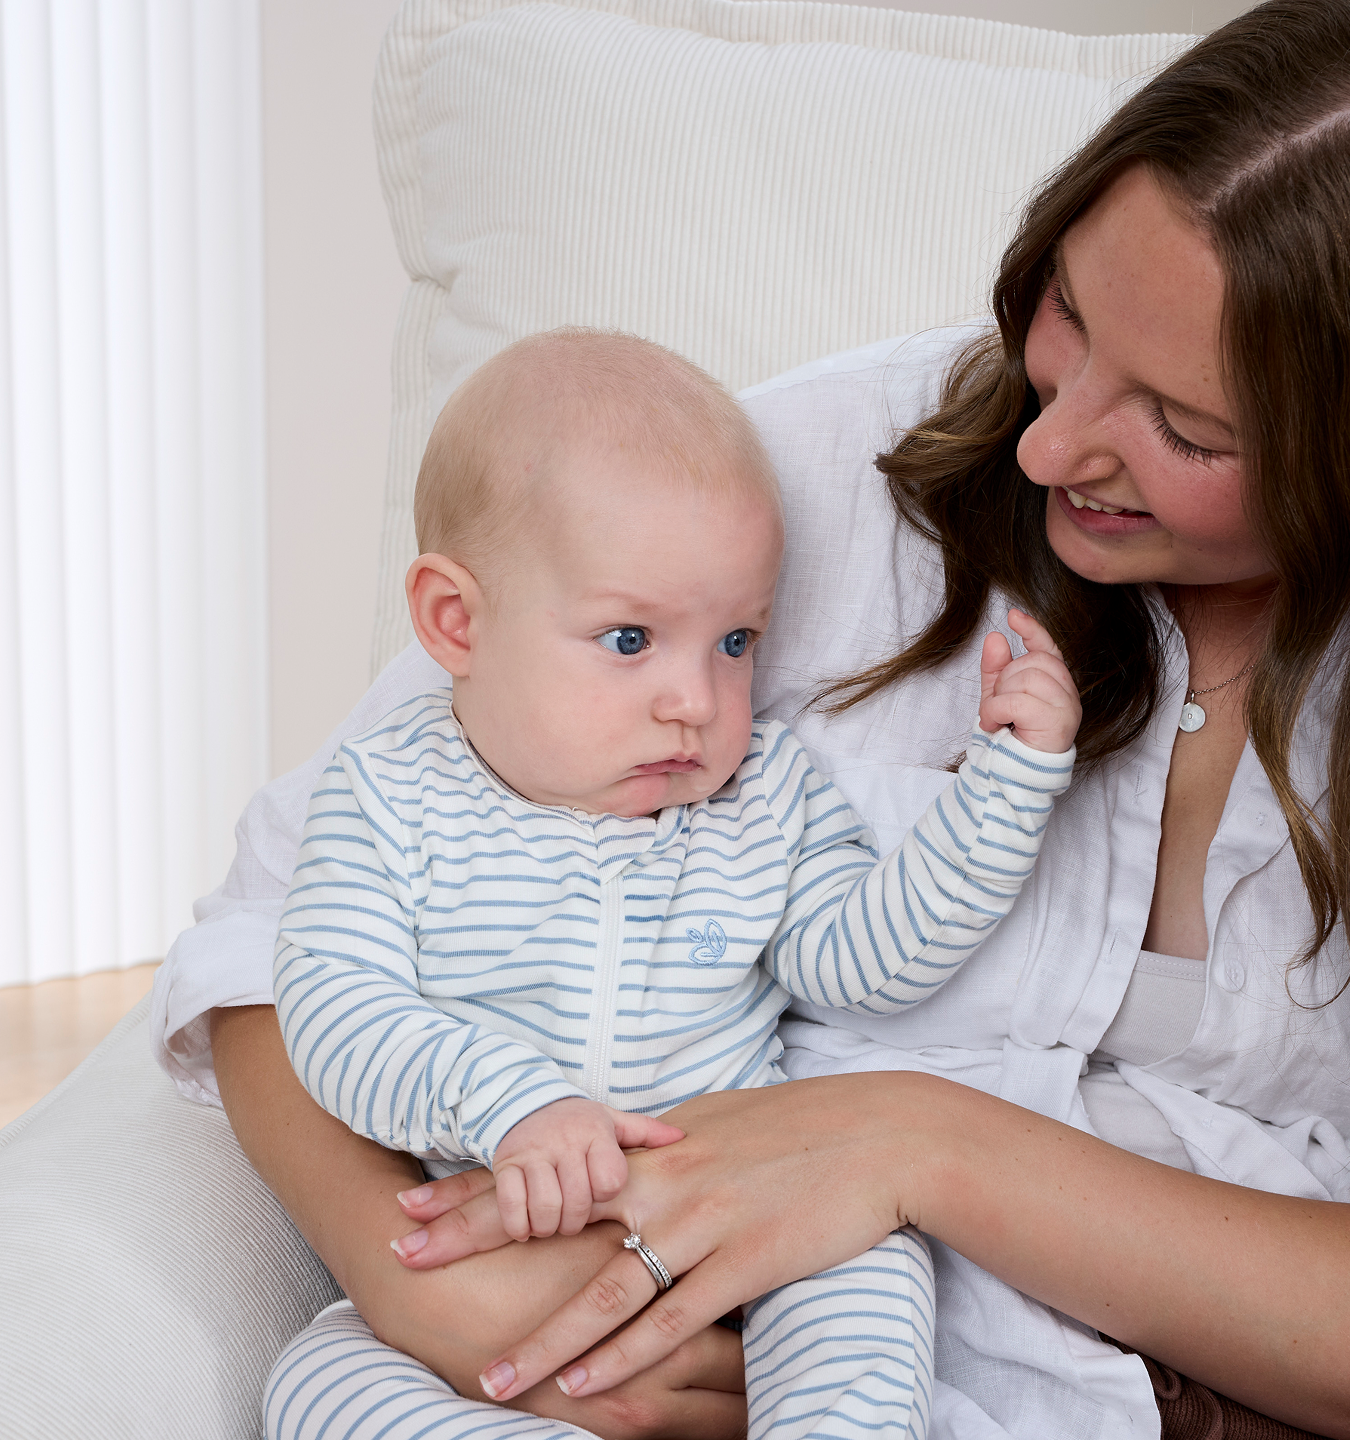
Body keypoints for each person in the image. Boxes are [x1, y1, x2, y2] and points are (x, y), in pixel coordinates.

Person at [151, 2, 1350, 1435]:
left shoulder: (768, 787)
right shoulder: (756, 479)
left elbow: (867, 947)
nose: (1047, 443)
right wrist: (415, 1286)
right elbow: (270, 943)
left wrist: (922, 1143)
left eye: (1188, 431)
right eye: (1068, 314)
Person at [264, 329, 1080, 1440]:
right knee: (321, 1384)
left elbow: (864, 962)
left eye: (736, 641)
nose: (695, 700)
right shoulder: (390, 795)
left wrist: (1006, 790)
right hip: (505, 1226)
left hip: (747, 1235)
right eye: (630, 637)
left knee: (873, 1273)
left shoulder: (761, 795)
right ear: (456, 621)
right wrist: (514, 1104)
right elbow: (336, 1006)